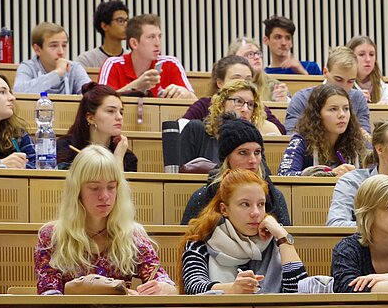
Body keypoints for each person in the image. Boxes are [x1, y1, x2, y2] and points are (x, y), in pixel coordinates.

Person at [34, 146, 177, 295]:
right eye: (94, 188)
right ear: (77, 191)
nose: (105, 196)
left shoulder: (133, 234)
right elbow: (49, 296)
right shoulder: (51, 237)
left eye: (111, 187)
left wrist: (164, 288)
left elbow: (165, 283)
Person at [181, 169, 308, 294]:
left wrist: (282, 235)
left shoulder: (275, 239)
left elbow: (298, 290)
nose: (256, 213)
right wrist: (232, 289)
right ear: (224, 209)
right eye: (245, 204)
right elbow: (194, 287)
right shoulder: (202, 240)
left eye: (261, 204)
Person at [179, 112, 291, 226]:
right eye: (243, 153)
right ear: (227, 158)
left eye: (257, 152)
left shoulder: (275, 197)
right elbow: (188, 240)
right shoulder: (204, 197)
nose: (253, 160)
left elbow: (287, 239)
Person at [180, 80, 280, 166]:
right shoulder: (196, 130)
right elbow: (178, 176)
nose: (245, 109)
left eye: (250, 104)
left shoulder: (253, 138)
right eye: (238, 101)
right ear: (222, 103)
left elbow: (265, 179)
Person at [179, 55, 285, 134]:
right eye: (236, 78)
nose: (243, 84)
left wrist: (256, 122)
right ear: (220, 83)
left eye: (248, 80)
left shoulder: (256, 106)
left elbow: (280, 134)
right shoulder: (205, 104)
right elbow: (180, 127)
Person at [97, 14, 196, 99]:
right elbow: (99, 102)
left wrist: (186, 94)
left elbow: (196, 102)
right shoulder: (113, 64)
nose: (158, 43)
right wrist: (136, 86)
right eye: (151, 37)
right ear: (134, 43)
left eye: (159, 36)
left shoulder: (171, 63)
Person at [278, 84, 366, 176]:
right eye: (333, 109)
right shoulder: (301, 141)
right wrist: (328, 174)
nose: (342, 114)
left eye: (346, 109)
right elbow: (284, 174)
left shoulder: (355, 141)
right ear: (317, 114)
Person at [285, 46, 370, 134]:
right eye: (338, 79)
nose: (344, 87)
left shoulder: (358, 99)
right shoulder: (302, 98)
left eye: (351, 81)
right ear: (325, 72)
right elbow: (291, 137)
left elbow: (366, 141)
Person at [56, 83, 137, 171]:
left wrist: (118, 158)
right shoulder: (65, 149)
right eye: (110, 111)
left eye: (121, 112)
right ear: (90, 118)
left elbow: (118, 185)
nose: (119, 117)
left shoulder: (125, 156)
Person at [14, 22, 91, 95]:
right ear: (37, 49)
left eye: (64, 45)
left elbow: (92, 93)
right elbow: (18, 91)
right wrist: (57, 73)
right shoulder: (28, 67)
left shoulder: (74, 68)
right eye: (54, 46)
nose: (61, 52)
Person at [228, 37, 289, 102]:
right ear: (235, 59)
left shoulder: (275, 86)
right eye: (250, 54)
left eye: (258, 53)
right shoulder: (228, 84)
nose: (257, 57)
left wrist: (284, 102)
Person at [76, 0, 128, 68]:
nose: (126, 25)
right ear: (104, 26)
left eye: (127, 20)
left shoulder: (132, 58)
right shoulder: (87, 60)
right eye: (120, 21)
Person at [347, 36, 388, 104]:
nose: (368, 59)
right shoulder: (342, 80)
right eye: (361, 54)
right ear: (349, 57)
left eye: (371, 54)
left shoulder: (378, 82)